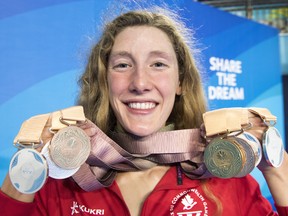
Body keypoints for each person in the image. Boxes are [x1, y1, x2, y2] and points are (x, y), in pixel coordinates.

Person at [1, 6, 288, 216]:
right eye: (123, 65)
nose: (140, 83)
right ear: (105, 81)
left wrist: (276, 166)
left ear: (180, 82)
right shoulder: (63, 184)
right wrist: (26, 170)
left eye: (158, 64)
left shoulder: (228, 183)